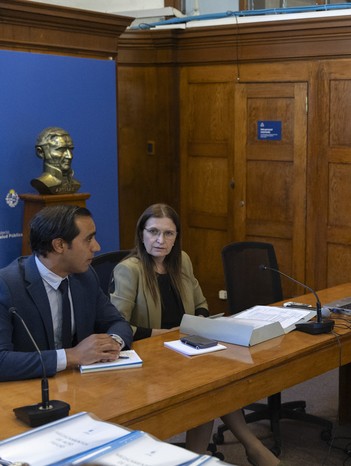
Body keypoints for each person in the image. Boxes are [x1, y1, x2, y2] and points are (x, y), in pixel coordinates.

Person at [110, 204, 279, 466]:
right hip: (149, 356)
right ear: (141, 233)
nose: (160, 240)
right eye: (153, 231)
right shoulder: (129, 270)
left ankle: (201, 457)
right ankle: (248, 446)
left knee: (220, 379)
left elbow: (200, 303)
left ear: (176, 236)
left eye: (168, 233)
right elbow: (117, 325)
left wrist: (199, 322)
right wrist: (161, 333)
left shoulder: (182, 261)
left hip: (187, 348)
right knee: (208, 387)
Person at [0, 205, 132, 382]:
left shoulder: (86, 276)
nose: (97, 247)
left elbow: (117, 323)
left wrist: (111, 343)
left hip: (81, 387)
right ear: (59, 245)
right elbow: (2, 361)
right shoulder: (7, 285)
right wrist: (72, 356)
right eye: (88, 239)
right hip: (29, 392)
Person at [31, 127, 81, 195]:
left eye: (70, 150)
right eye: (61, 150)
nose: (69, 156)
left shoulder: (75, 184)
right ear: (41, 152)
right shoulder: (42, 183)